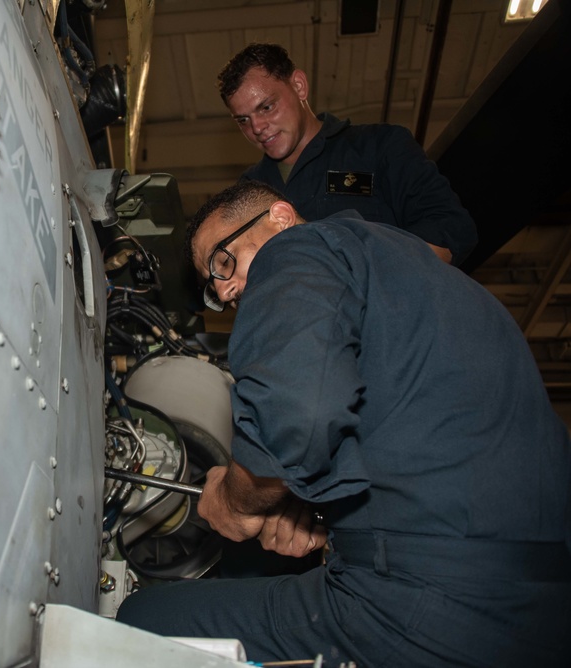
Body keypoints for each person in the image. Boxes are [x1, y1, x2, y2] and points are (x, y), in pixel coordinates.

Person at [116, 181, 571, 666]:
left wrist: (235, 500)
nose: (224, 290)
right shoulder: (423, 281)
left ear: (281, 217)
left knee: (141, 621)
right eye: (212, 285)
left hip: (425, 601)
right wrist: (316, 516)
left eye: (223, 261)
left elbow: (299, 419)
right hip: (542, 609)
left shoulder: (299, 250)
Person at [219, 43, 476, 266]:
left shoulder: (380, 146)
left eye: (266, 106)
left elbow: (449, 229)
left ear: (299, 86)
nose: (257, 127)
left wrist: (362, 274)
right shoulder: (247, 192)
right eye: (243, 120)